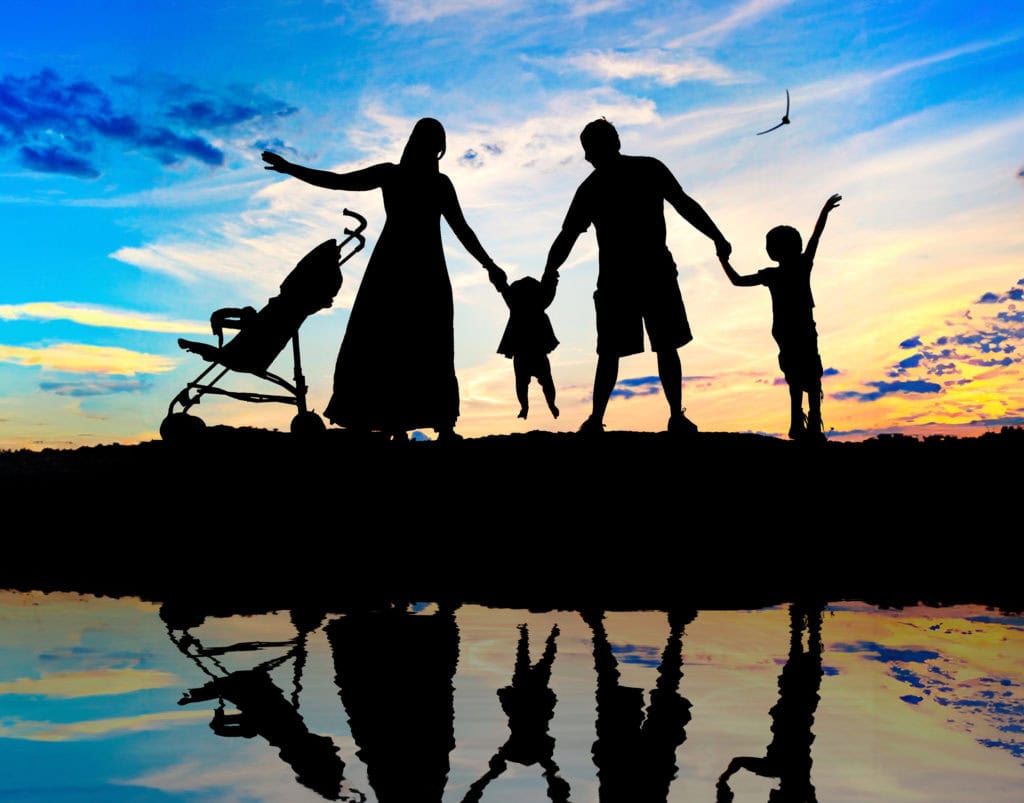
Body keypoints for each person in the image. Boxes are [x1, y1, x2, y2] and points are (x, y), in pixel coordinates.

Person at [262, 118, 505, 441]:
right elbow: (338, 182)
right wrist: (291, 169)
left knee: (408, 344)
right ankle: (412, 424)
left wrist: (489, 264)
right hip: (410, 270)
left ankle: (428, 424)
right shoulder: (412, 178)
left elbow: (462, 229)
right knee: (400, 343)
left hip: (406, 271)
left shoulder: (416, 180)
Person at [541, 118, 731, 435]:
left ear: (598, 149)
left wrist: (717, 236)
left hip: (638, 276)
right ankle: (614, 418)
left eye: (589, 150)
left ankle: (640, 417)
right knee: (637, 350)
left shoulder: (613, 181)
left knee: (637, 350)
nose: (589, 157)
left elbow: (568, 235)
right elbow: (568, 235)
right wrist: (717, 237)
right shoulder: (627, 176)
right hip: (634, 277)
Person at [718, 194, 841, 442]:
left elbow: (738, 280)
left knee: (796, 378)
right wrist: (824, 213)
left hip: (788, 331)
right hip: (801, 330)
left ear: (774, 250)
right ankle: (809, 423)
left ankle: (803, 423)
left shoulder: (776, 273)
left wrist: (723, 260)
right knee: (809, 376)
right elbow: (815, 238)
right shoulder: (800, 265)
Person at [494, 272, 560, 420]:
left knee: (528, 383)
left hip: (530, 352)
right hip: (529, 352)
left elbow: (504, 288)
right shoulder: (533, 302)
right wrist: (552, 280)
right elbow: (549, 293)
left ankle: (536, 406)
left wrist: (552, 280)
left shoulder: (522, 302)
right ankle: (532, 406)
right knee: (537, 382)